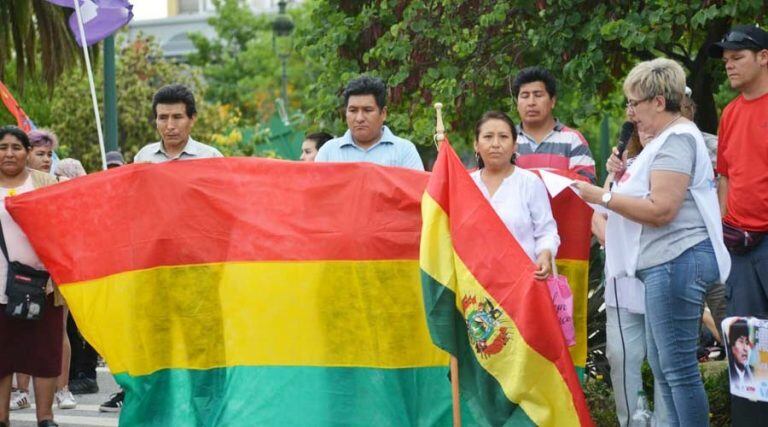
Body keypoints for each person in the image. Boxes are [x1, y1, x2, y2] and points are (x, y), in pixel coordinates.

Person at [573, 58, 730, 426]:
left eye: (634, 104)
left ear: (659, 101)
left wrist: (602, 197)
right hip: (666, 263)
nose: (630, 114)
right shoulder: (665, 140)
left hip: (677, 260)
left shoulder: (677, 139)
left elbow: (662, 209)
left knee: (677, 370)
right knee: (665, 366)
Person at [708, 23, 768, 425]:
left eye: (738, 57)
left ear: (764, 57)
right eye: (726, 60)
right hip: (740, 249)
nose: (729, 66)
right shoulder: (730, 113)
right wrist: (722, 234)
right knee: (749, 358)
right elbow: (725, 177)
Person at [593, 125, 669, 426]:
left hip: (662, 269)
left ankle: (666, 422)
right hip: (621, 278)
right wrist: (611, 237)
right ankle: (633, 422)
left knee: (665, 359)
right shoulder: (624, 164)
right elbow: (598, 212)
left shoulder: (680, 156)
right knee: (620, 355)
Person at [0, 125, 63, 427]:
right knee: (1, 358)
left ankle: (46, 418)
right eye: (2, 147)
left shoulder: (46, 182)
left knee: (45, 355)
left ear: (27, 152)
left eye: (16, 147)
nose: (9, 153)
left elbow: (66, 226)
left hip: (42, 286)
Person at [470, 111, 559, 279]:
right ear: (476, 145)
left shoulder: (530, 183)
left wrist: (544, 255)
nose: (495, 144)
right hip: (475, 285)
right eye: (488, 137)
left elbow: (546, 231)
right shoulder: (466, 185)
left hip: (522, 283)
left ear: (514, 146)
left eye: (503, 137)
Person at [315, 76, 424, 170]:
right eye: (353, 110)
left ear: (383, 113)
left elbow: (416, 192)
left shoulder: (404, 151)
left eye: (367, 110)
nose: (359, 118)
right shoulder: (329, 152)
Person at [511, 67, 596, 183]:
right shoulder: (506, 139)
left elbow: (587, 186)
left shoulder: (573, 140)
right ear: (517, 103)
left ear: (553, 101)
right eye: (525, 96)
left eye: (538, 95)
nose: (531, 102)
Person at [134, 84, 223, 163]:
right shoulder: (143, 157)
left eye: (177, 117)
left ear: (192, 119)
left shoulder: (211, 158)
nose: (170, 126)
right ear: (156, 120)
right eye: (163, 118)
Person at [726, 319, 753, 388]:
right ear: (732, 346)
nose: (745, 348)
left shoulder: (752, 373)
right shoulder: (729, 373)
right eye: (741, 341)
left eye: (747, 343)